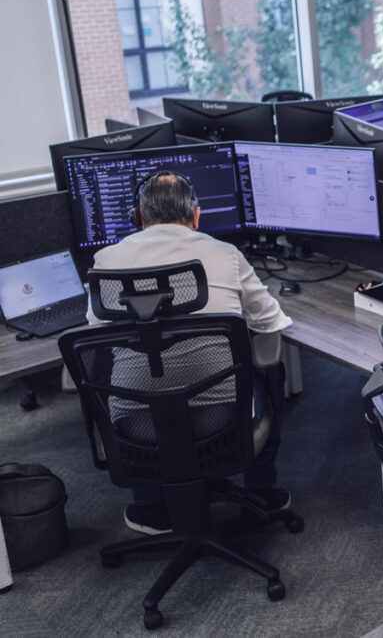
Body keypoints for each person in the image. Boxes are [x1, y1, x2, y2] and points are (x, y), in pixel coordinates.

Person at [87, 170, 293, 535]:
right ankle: (261, 492)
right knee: (270, 364)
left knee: (114, 370)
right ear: (196, 217)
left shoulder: (106, 262)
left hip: (138, 430)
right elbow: (271, 323)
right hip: (222, 423)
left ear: (138, 218)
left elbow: (94, 334)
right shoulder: (226, 255)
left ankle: (150, 507)